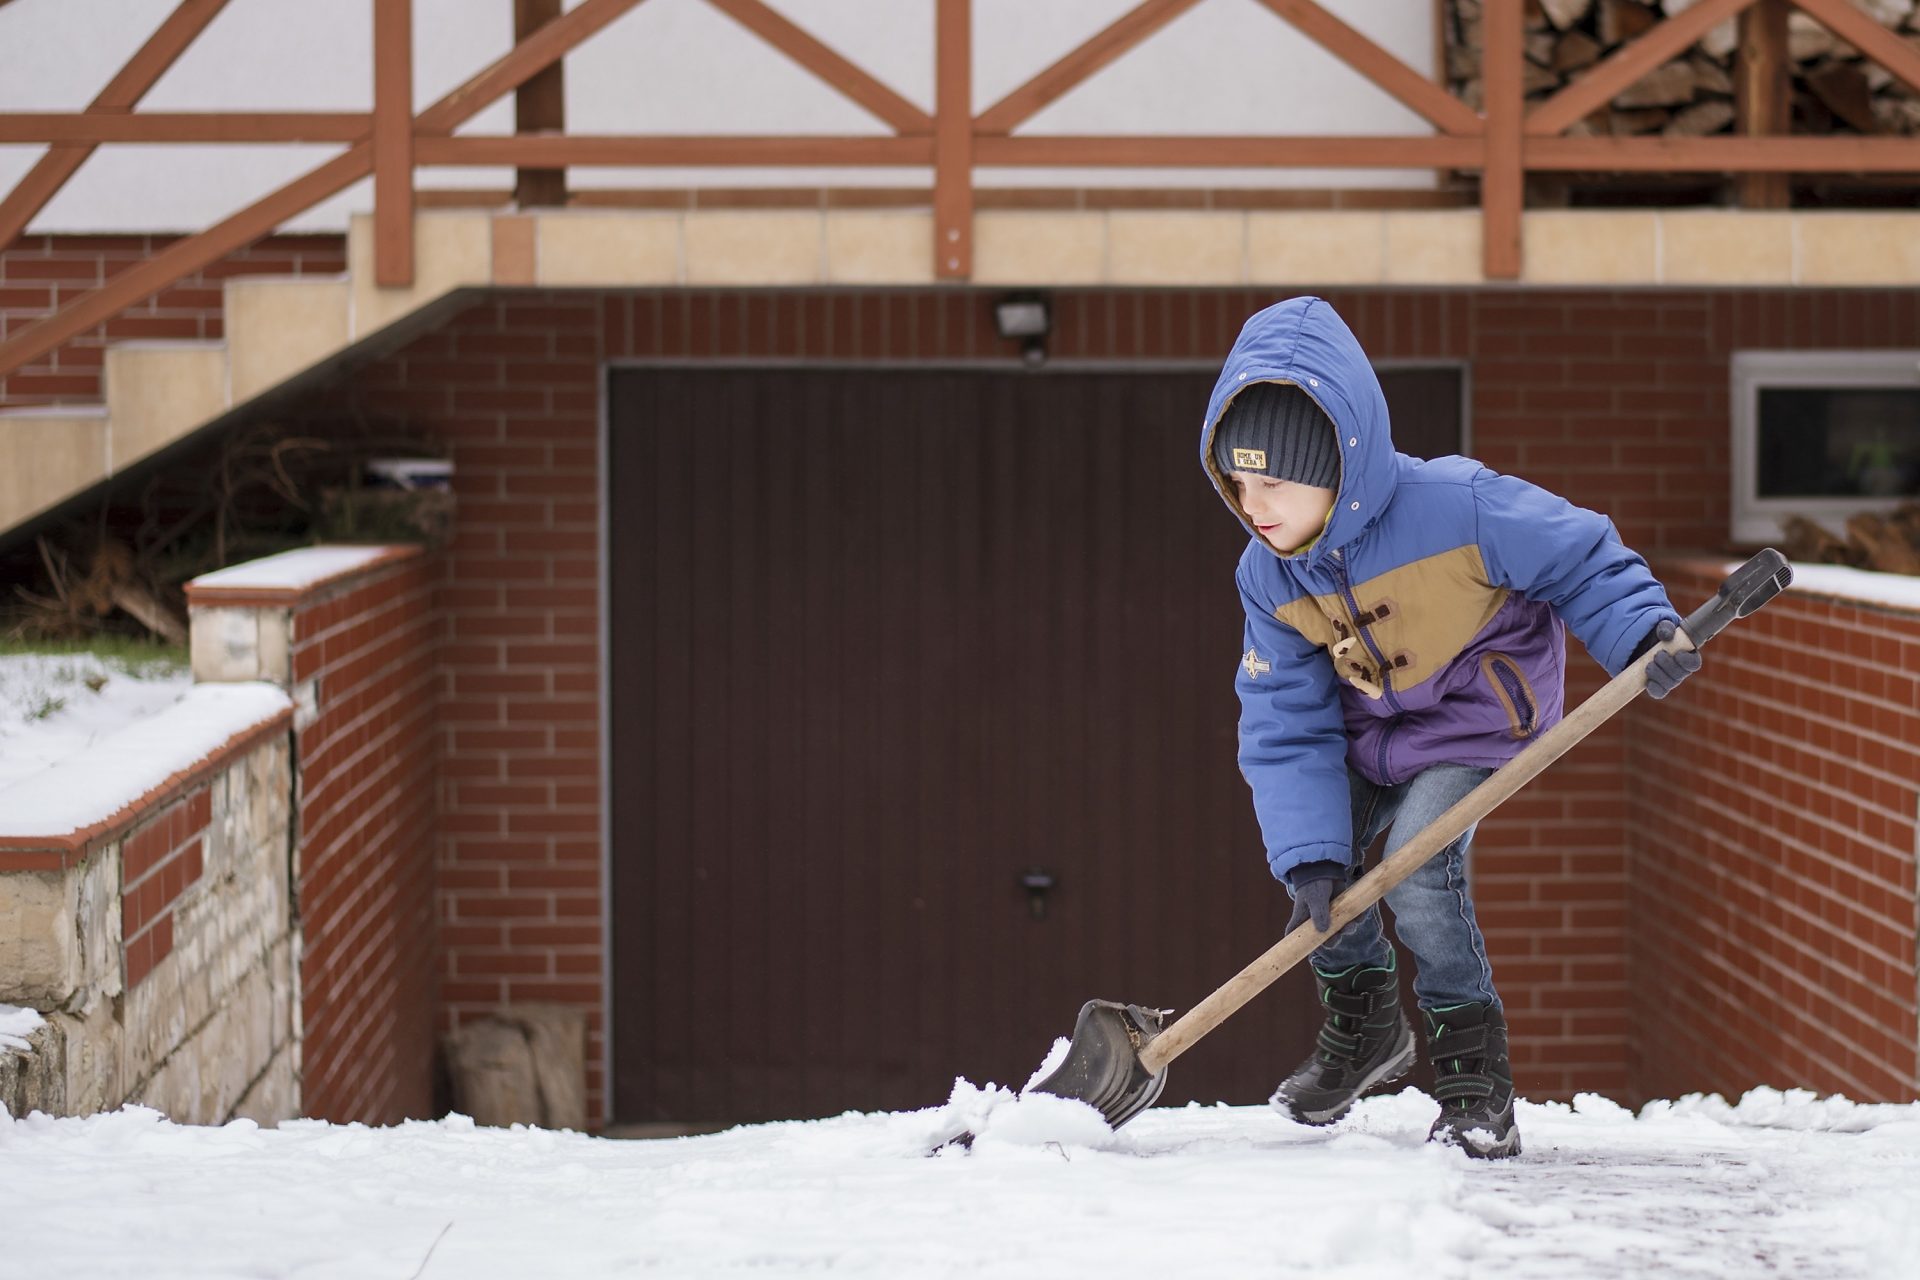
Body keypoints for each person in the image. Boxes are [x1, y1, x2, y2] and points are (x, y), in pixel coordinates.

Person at [1200, 296, 1700, 1159]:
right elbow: (1285, 718)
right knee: (1317, 874)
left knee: (1419, 873)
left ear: (1337, 464)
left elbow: (1581, 556)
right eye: (1240, 485)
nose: (1255, 507)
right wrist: (1314, 855)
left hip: (1476, 722)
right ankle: (1366, 1031)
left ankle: (1475, 1080)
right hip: (1368, 735)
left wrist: (1640, 634)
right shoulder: (1269, 575)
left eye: (1274, 482)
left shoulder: (1458, 506)